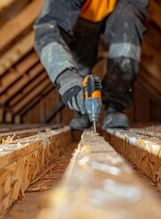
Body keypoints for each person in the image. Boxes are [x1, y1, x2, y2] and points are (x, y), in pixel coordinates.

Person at [33, 0, 149, 130]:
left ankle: (115, 105)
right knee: (81, 61)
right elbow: (47, 29)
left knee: (129, 20)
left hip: (120, 11)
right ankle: (82, 111)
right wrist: (66, 76)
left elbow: (137, 18)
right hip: (80, 17)